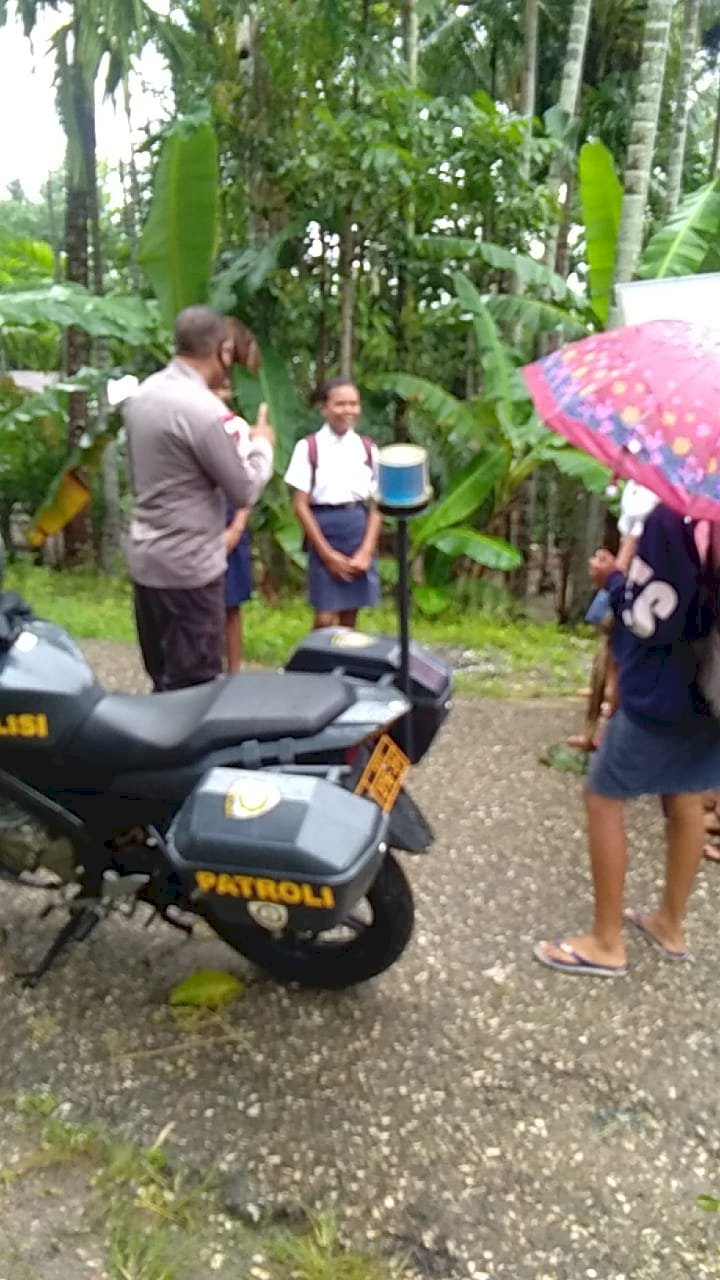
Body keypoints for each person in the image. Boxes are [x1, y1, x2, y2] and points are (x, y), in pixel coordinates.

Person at [534, 499, 720, 978]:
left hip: (663, 691)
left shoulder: (672, 518)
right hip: (711, 690)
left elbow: (649, 616)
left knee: (603, 796)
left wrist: (612, 581)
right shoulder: (712, 517)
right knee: (683, 795)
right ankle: (670, 924)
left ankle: (606, 941)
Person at [124, 306, 274, 691]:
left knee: (162, 678)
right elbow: (243, 489)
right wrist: (261, 446)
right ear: (222, 350)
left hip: (146, 563)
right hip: (188, 571)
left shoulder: (142, 396)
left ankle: (155, 750)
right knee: (194, 689)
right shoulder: (205, 411)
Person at [284, 379, 382, 630]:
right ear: (324, 408)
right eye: (340, 404)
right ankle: (318, 666)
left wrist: (365, 551)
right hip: (323, 529)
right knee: (325, 616)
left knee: (350, 614)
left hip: (357, 529)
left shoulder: (367, 448)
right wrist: (326, 554)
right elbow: (300, 505)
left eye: (353, 404)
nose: (347, 410)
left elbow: (377, 505)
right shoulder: (309, 448)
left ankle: (346, 666)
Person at [216, 383, 254, 672]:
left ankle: (235, 670)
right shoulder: (189, 422)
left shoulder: (237, 428)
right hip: (197, 513)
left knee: (232, 602)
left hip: (231, 509)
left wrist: (238, 526)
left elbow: (248, 480)